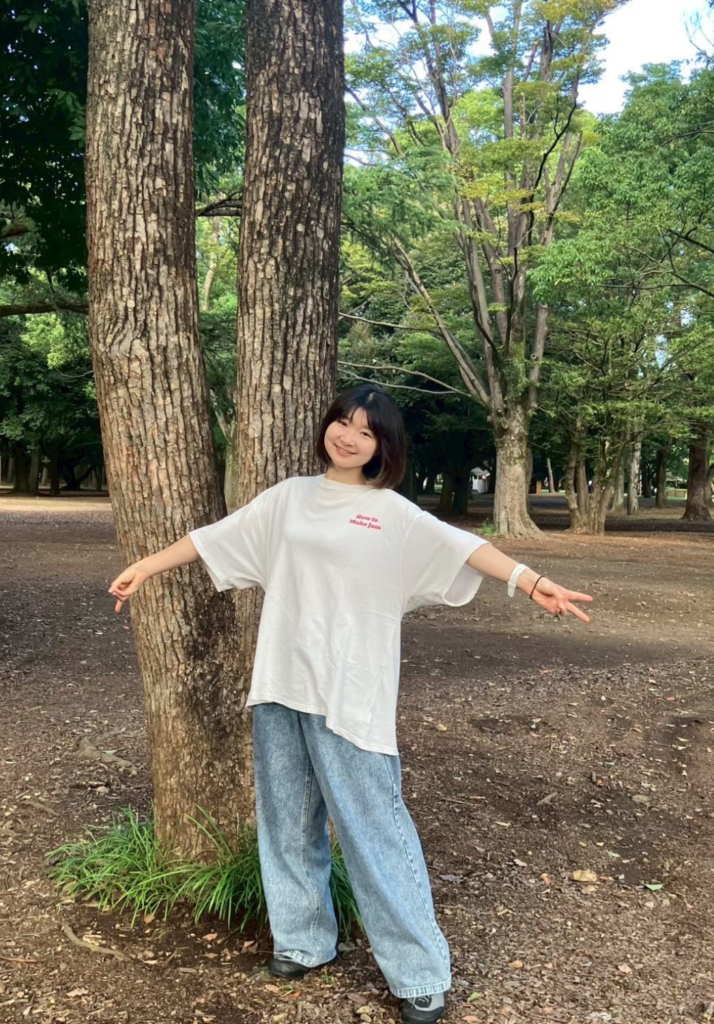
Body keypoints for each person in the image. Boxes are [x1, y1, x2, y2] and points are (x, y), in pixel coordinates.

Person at [108, 385, 592, 1024]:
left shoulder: (391, 512)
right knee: (286, 820)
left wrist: (531, 582)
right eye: (342, 422)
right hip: (282, 680)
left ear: (382, 447)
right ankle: (304, 941)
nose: (348, 437)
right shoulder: (289, 497)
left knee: (373, 829)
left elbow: (461, 547)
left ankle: (419, 974)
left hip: (350, 691)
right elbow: (216, 537)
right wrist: (147, 565)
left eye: (366, 431)